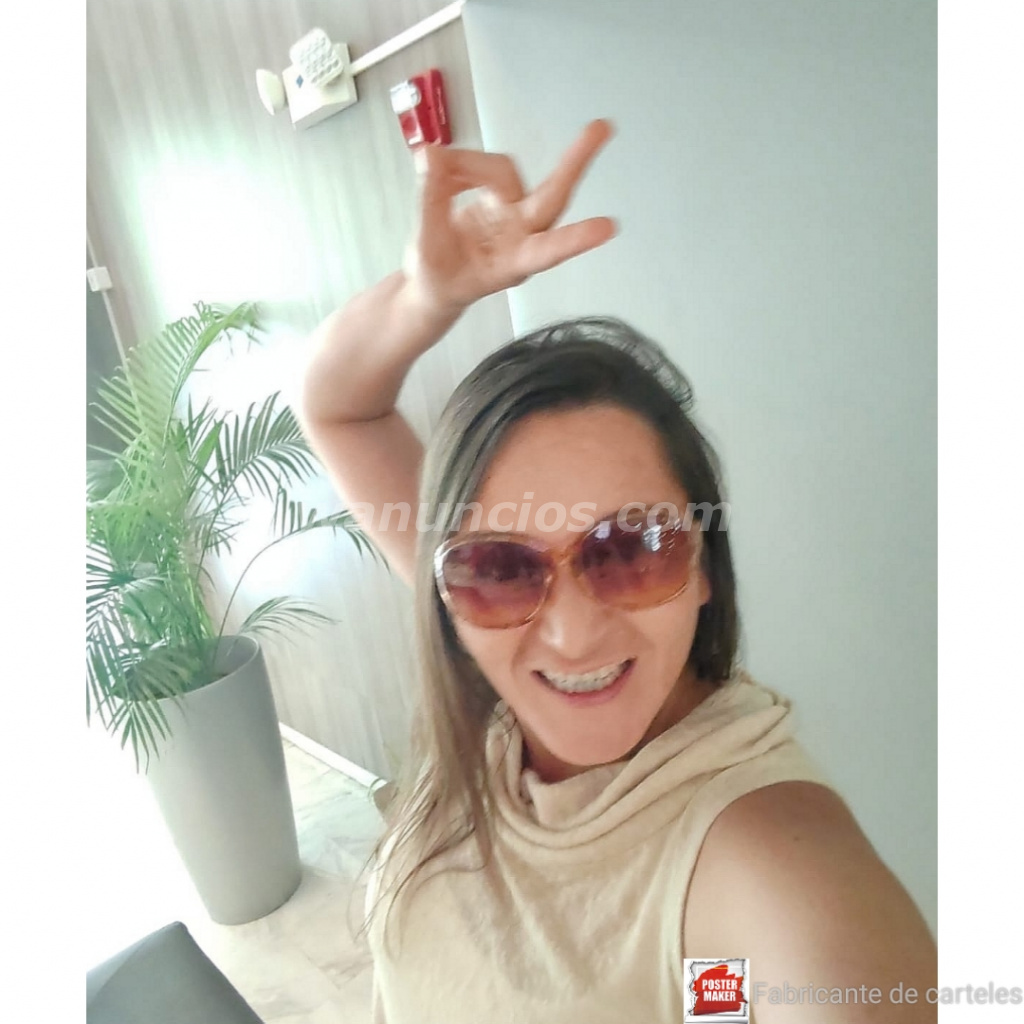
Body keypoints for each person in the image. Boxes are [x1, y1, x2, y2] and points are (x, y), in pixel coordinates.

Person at [300, 120, 937, 1023]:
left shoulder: (759, 853)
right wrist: (424, 298)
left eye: (630, 549)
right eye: (500, 566)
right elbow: (337, 404)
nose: (569, 633)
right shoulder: (488, 672)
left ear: (706, 566)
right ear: (453, 590)